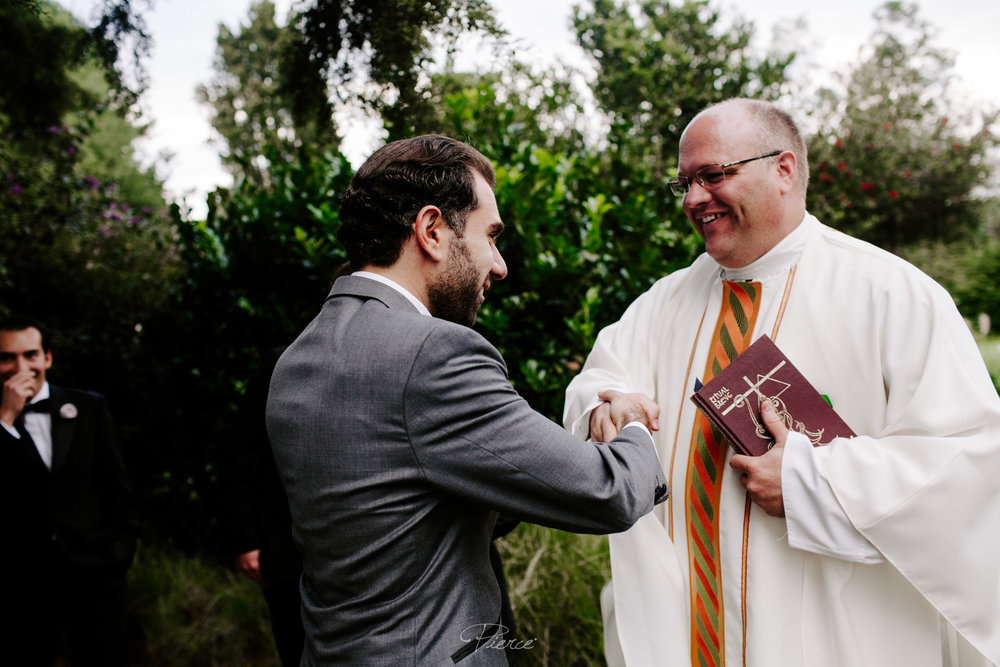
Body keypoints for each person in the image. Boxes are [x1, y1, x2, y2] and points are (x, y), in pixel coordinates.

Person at [563, 98, 1000, 667]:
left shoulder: (893, 295)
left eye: (714, 175)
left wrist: (812, 481)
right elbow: (599, 381)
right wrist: (606, 408)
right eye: (686, 182)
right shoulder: (661, 304)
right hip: (683, 627)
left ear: (785, 170)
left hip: (833, 636)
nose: (694, 198)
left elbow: (970, 465)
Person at [265, 134, 668, 665]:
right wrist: (634, 422)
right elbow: (606, 491)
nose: (499, 265)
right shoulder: (434, 352)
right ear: (432, 230)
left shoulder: (298, 356)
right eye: (491, 236)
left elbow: (400, 502)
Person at [0, 315, 137, 666]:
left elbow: (117, 487)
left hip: (96, 573)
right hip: (22, 583)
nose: (21, 366)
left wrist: (119, 554)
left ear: (47, 357)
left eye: (30, 354)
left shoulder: (89, 407)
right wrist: (4, 421)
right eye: (7, 357)